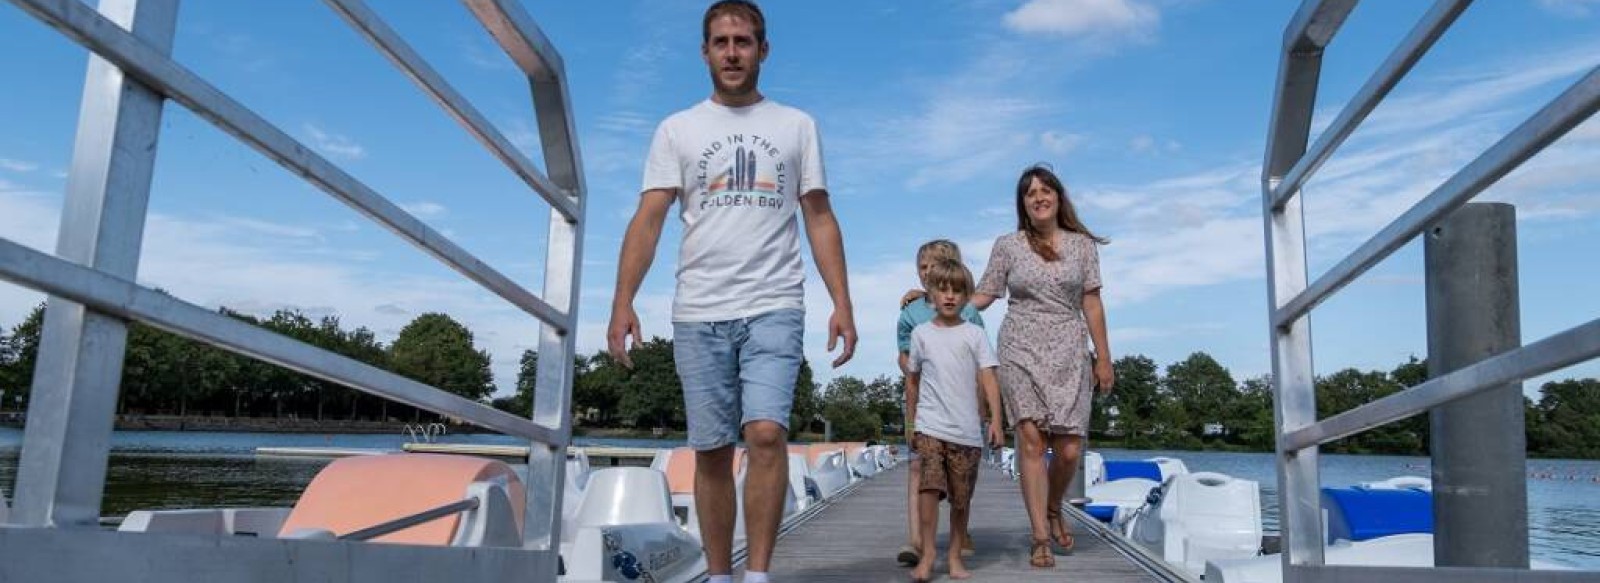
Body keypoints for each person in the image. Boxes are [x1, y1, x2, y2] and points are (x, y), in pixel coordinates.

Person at [605, 2, 858, 582]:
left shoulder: (796, 126)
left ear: (763, 49)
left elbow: (819, 217)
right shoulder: (678, 128)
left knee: (766, 434)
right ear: (704, 51)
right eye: (720, 42)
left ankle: (758, 574)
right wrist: (623, 300)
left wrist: (841, 302)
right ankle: (720, 574)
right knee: (714, 451)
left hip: (775, 301)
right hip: (700, 308)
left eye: (743, 41)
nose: (732, 52)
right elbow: (649, 219)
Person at [900, 164, 1113, 568]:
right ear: (1023, 203)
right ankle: (1039, 536)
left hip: (1069, 348)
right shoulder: (1008, 245)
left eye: (1045, 189)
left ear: (1057, 197)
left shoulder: (1083, 246)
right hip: (1019, 347)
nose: (1038, 196)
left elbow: (1092, 303)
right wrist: (931, 296)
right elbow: (982, 294)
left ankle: (1053, 507)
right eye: (1030, 192)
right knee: (1032, 441)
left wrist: (1104, 356)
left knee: (1068, 449)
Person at [903, 258, 1005, 582]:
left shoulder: (974, 334)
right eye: (942, 289)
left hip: (966, 431)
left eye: (957, 290)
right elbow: (913, 380)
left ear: (966, 295)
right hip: (930, 426)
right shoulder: (920, 334)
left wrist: (996, 422)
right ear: (930, 293)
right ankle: (929, 552)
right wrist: (911, 423)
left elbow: (989, 379)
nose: (949, 296)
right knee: (929, 489)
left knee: (961, 499)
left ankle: (954, 555)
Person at [895, 240, 984, 567]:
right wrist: (910, 417)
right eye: (922, 267)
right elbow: (906, 364)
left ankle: (961, 533)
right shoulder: (910, 313)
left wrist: (983, 411)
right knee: (918, 468)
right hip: (926, 410)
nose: (928, 272)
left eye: (935, 266)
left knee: (960, 477)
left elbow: (979, 364)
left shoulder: (970, 312)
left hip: (962, 412)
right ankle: (916, 539)